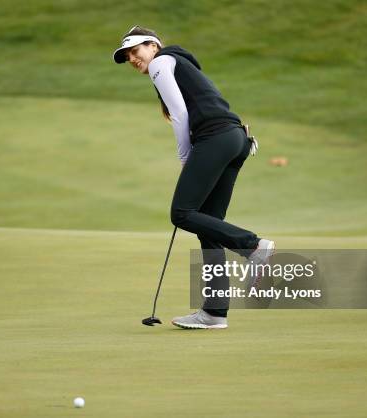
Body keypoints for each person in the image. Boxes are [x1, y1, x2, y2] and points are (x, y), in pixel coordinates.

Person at [113, 26, 275, 329]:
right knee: (209, 228)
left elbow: (179, 115)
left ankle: (252, 246)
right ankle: (214, 312)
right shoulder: (179, 64)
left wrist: (185, 157)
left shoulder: (161, 62)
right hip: (235, 139)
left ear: (153, 45)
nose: (132, 59)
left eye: (135, 51)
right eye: (127, 57)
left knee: (182, 213)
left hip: (215, 138)